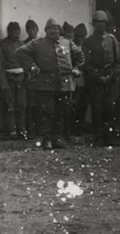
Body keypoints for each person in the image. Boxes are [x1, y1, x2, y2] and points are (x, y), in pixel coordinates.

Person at [15, 18, 84, 150]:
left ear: (60, 30)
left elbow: (80, 56)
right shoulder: (37, 43)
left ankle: (56, 139)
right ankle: (46, 140)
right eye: (51, 28)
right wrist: (32, 66)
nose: (54, 31)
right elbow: (20, 53)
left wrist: (76, 68)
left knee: (61, 112)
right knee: (48, 112)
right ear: (46, 30)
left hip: (64, 83)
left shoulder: (67, 42)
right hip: (45, 84)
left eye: (56, 28)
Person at [82, 10, 120, 147]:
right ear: (93, 24)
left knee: (110, 109)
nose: (100, 25)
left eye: (103, 22)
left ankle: (110, 137)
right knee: (97, 109)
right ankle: (98, 138)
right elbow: (86, 63)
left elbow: (119, 62)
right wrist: (98, 77)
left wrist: (111, 76)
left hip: (111, 79)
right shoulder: (88, 41)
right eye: (97, 22)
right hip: (96, 80)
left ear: (106, 24)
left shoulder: (112, 40)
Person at [0, 22, 27, 139]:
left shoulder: (22, 44)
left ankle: (21, 129)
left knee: (21, 104)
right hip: (8, 77)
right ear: (8, 31)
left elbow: (26, 60)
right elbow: (1, 62)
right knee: (10, 104)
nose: (16, 34)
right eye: (13, 31)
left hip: (21, 78)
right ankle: (11, 130)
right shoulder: (2, 44)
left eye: (18, 32)